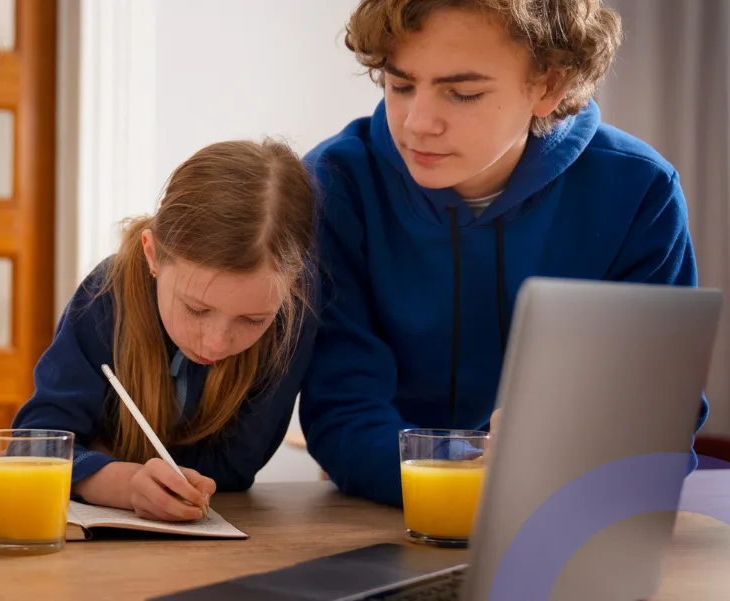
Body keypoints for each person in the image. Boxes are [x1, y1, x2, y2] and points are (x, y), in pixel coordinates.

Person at [300, 0, 707, 507]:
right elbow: (343, 411)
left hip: (563, 514)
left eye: (463, 93)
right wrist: (470, 477)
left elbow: (659, 418)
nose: (417, 123)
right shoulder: (334, 185)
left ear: (549, 86)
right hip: (382, 508)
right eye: (400, 85)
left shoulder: (639, 190)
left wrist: (555, 469)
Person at [12, 139, 318, 522]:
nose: (217, 342)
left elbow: (234, 469)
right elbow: (35, 446)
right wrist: (122, 482)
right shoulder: (104, 296)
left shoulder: (292, 316)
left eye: (253, 320)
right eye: (196, 308)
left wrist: (103, 454)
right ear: (153, 254)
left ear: (292, 286)